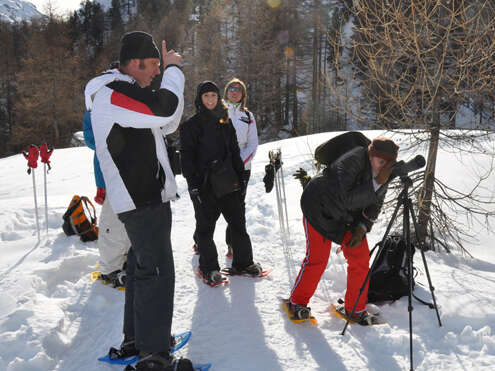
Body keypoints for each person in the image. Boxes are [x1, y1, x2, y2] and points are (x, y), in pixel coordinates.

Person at [84, 31, 193, 371]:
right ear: (133, 63)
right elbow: (165, 109)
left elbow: (168, 121)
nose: (156, 73)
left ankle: (139, 340)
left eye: (161, 67)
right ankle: (154, 356)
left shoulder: (126, 93)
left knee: (141, 270)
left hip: (143, 196)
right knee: (157, 274)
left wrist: (169, 85)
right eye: (153, 67)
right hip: (141, 198)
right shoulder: (113, 93)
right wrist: (175, 71)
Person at [286, 137, 399, 325]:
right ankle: (297, 302)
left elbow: (375, 205)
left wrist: (362, 228)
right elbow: (345, 198)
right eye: (380, 162)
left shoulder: (382, 175)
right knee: (318, 259)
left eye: (386, 164)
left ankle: (355, 308)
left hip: (346, 218)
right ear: (371, 155)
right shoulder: (352, 160)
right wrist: (377, 183)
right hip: (319, 208)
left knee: (360, 259)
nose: (381, 168)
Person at [180, 81, 262, 285]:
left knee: (238, 223)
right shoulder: (191, 126)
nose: (210, 99)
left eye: (213, 96)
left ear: (218, 98)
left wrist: (240, 177)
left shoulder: (226, 122)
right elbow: (187, 159)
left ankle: (243, 262)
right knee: (206, 228)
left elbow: (234, 151)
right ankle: (210, 268)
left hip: (228, 181)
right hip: (204, 184)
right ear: (200, 99)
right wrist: (193, 185)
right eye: (206, 96)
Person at [83, 98, 130, 289]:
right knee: (112, 222)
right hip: (109, 173)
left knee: (130, 220)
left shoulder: (130, 99)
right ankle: (110, 268)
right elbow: (90, 138)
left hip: (132, 174)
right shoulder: (96, 105)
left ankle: (126, 260)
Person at [222, 78, 258, 257]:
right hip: (220, 167)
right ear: (226, 92)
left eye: (238, 89)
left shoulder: (248, 116)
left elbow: (253, 144)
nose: (234, 91)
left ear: (243, 95)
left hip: (242, 168)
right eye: (231, 88)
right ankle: (201, 240)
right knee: (211, 206)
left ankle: (233, 244)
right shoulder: (218, 112)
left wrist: (239, 163)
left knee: (237, 206)